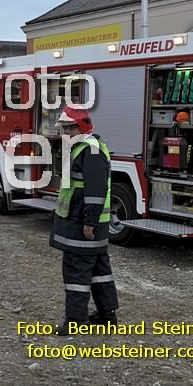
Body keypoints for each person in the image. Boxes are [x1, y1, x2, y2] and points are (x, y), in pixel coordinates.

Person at [51, 106, 118, 335]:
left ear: (79, 128)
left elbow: (95, 191)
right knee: (99, 270)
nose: (64, 134)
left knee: (76, 271)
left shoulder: (91, 150)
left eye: (67, 129)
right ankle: (107, 315)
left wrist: (90, 222)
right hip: (86, 222)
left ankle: (76, 321)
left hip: (83, 224)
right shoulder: (85, 148)